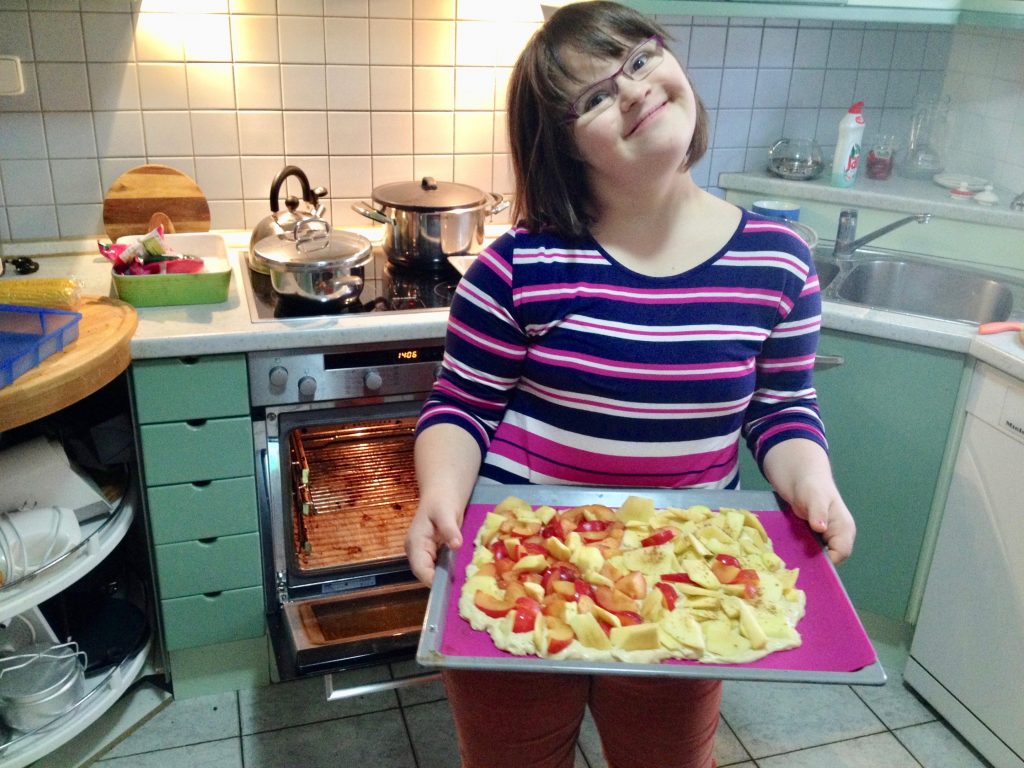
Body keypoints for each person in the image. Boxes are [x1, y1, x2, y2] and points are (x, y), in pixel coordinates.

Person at [404, 3, 856, 767]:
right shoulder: (517, 267)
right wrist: (438, 498)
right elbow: (462, 406)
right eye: (594, 96)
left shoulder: (779, 262)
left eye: (641, 60)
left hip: (685, 573)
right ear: (563, 149)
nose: (634, 89)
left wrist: (814, 484)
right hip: (528, 563)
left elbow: (781, 409)